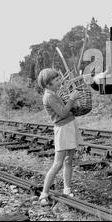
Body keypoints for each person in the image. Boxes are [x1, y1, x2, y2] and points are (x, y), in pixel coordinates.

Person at [37, 68, 83, 205]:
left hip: (69, 126)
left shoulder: (53, 93)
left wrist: (70, 101)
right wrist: (71, 99)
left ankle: (67, 190)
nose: (59, 81)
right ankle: (44, 194)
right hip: (63, 129)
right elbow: (63, 113)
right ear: (47, 83)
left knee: (69, 161)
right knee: (58, 164)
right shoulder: (49, 97)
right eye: (56, 80)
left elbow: (65, 110)